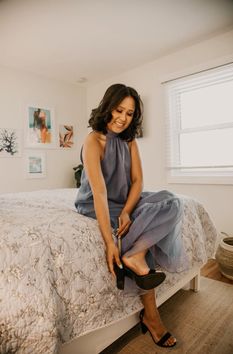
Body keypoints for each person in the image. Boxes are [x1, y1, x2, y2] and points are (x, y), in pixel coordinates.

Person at [75, 83, 189, 348]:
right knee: (138, 227)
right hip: (95, 203)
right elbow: (100, 193)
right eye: (118, 110)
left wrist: (127, 211)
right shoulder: (93, 140)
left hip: (124, 201)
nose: (123, 118)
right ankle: (152, 317)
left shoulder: (129, 140)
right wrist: (108, 242)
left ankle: (135, 255)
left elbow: (138, 181)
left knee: (172, 201)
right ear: (107, 107)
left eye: (129, 113)